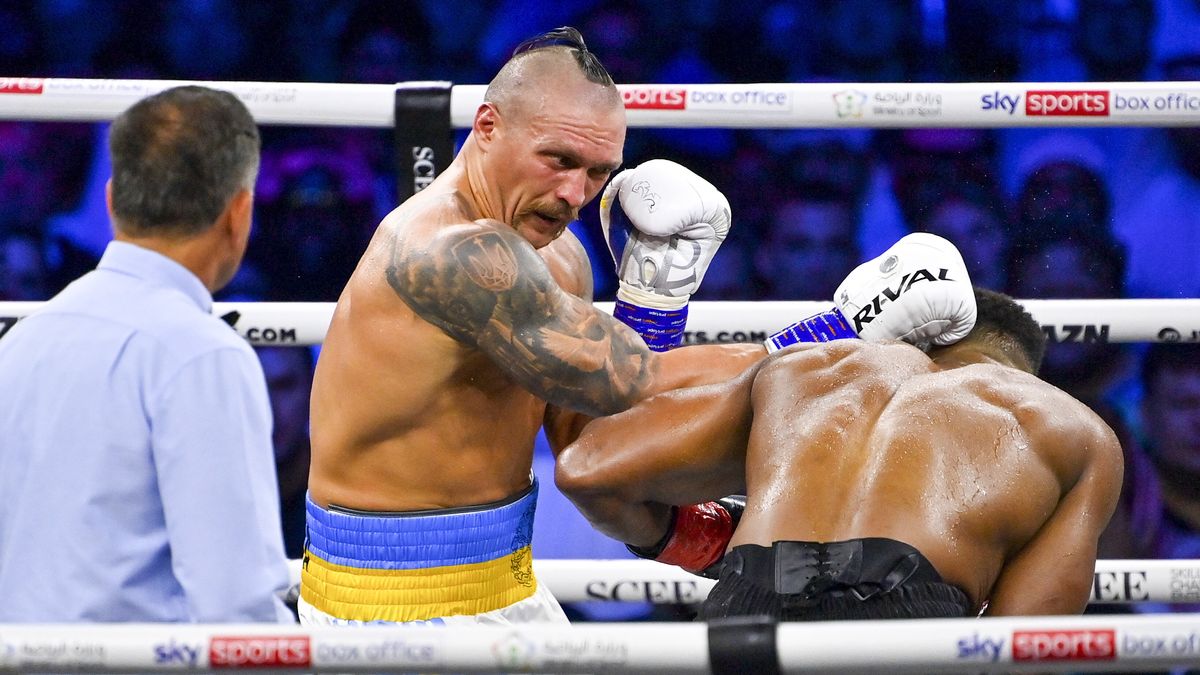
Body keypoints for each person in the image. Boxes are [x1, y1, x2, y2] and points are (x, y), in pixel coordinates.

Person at [303, 26, 976, 626]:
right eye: (558, 159)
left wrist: (650, 310)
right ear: (486, 126)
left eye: (598, 172)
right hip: (382, 600)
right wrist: (840, 329)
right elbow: (625, 376)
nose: (575, 194)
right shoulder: (446, 250)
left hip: (504, 579)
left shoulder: (558, 253)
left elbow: (594, 434)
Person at [556, 288, 1124, 619]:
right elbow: (1022, 646)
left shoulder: (810, 368)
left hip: (749, 599)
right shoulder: (1072, 428)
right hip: (908, 610)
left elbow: (588, 469)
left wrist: (706, 540)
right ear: (1024, 369)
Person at [0, 86, 293, 623]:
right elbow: (235, 604)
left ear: (112, 200)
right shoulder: (202, 355)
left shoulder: (18, 345)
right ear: (239, 213)